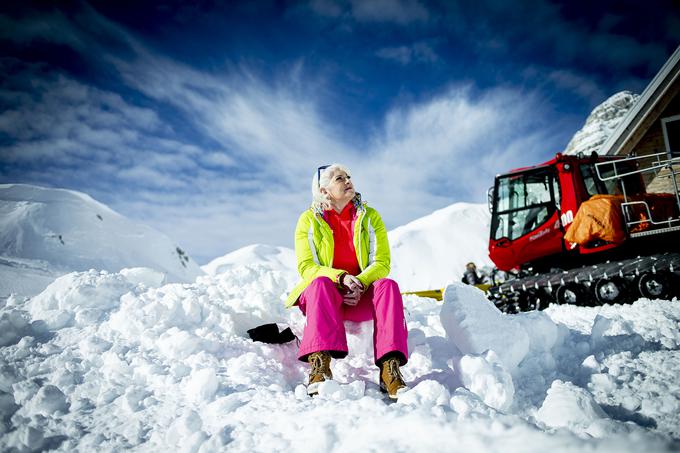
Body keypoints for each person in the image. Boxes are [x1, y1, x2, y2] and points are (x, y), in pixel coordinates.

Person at [285, 163, 409, 399]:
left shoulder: (370, 216)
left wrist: (361, 283)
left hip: (359, 296)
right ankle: (320, 366)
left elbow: (381, 262)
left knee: (388, 285)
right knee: (320, 283)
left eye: (348, 176)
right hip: (324, 299)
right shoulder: (309, 220)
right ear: (323, 191)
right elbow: (307, 266)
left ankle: (389, 369)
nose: (348, 180)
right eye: (339, 178)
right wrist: (341, 278)